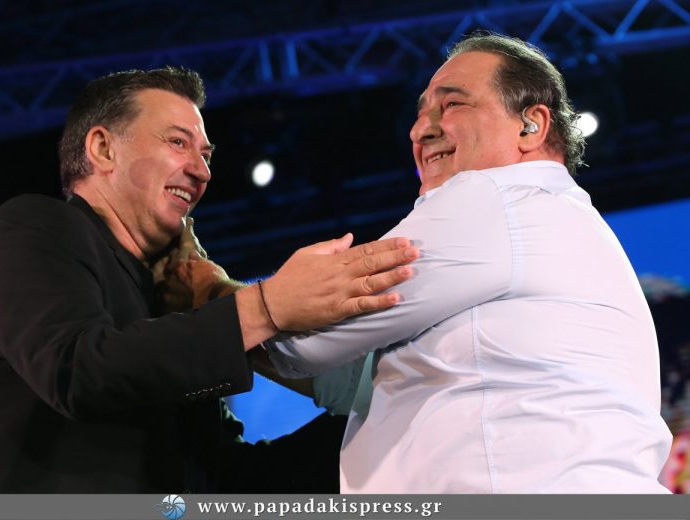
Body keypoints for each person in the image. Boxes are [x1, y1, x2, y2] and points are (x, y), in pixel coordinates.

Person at [0, 66, 419, 492]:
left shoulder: (164, 302)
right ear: (102, 148)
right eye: (178, 143)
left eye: (206, 155)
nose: (201, 171)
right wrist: (266, 307)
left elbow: (220, 477)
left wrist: (404, 414)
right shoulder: (35, 226)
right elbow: (77, 371)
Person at [266, 32, 673, 493]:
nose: (421, 130)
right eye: (420, 113)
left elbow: (304, 343)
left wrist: (220, 297)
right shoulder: (560, 218)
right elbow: (357, 378)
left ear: (530, 125)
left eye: (453, 105)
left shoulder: (495, 196)